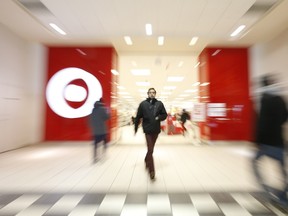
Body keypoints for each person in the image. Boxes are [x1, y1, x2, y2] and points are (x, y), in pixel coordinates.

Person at [252, 74, 288, 206]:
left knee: (254, 164)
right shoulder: (280, 98)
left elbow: (262, 122)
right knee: (282, 169)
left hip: (266, 142)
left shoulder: (264, 98)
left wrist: (257, 140)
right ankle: (283, 196)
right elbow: (285, 117)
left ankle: (267, 191)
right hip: (278, 141)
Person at [134, 87, 167, 180]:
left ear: (155, 94)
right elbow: (138, 117)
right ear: (148, 94)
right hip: (147, 130)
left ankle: (146, 159)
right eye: (150, 92)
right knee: (150, 149)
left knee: (150, 149)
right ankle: (151, 171)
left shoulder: (159, 104)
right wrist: (135, 128)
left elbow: (165, 114)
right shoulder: (143, 104)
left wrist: (158, 118)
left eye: (153, 92)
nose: (152, 94)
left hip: (156, 130)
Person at [89, 98, 110, 163]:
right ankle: (104, 154)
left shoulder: (93, 110)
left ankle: (95, 157)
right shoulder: (103, 109)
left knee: (96, 143)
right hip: (102, 129)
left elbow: (90, 119)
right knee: (105, 141)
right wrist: (107, 112)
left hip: (95, 130)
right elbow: (107, 117)